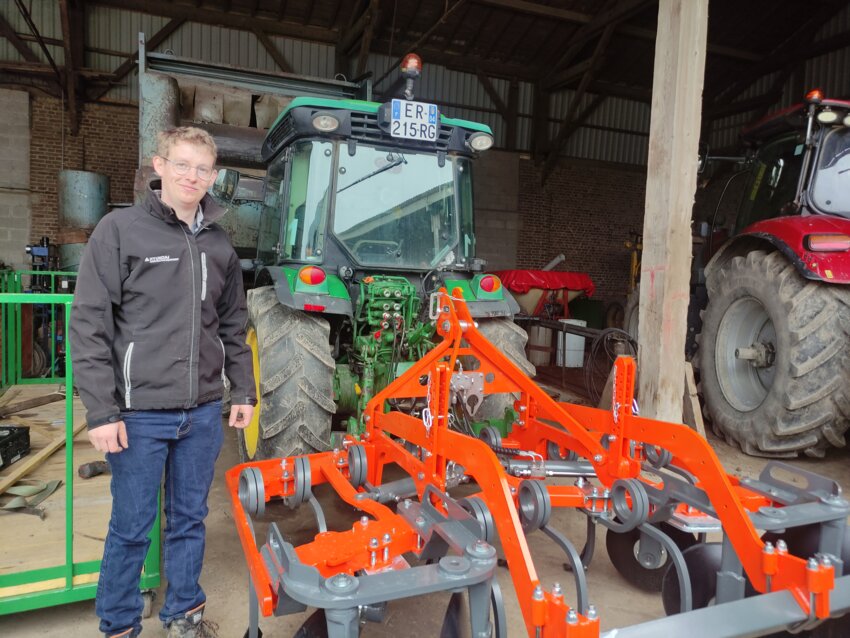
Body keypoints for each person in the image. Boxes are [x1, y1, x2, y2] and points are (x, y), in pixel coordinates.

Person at [70, 126, 257, 638]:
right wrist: (102, 412)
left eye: (202, 168)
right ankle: (120, 624)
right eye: (182, 164)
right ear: (160, 165)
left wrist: (242, 391)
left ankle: (183, 614)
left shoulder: (219, 243)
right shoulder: (119, 230)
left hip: (200, 412)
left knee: (190, 520)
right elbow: (89, 325)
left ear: (213, 176)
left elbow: (233, 325)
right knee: (131, 526)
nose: (191, 176)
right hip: (138, 412)